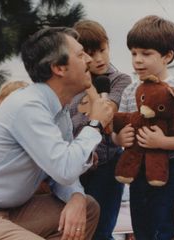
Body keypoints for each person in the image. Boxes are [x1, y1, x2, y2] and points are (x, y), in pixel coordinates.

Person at [0, 27, 114, 240]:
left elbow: (59, 173)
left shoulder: (59, 112)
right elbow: (65, 168)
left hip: (8, 212)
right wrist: (94, 124)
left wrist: (76, 197)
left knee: (87, 207)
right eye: (80, 55)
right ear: (58, 68)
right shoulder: (27, 105)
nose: (89, 61)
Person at [113, 15, 174, 240]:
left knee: (168, 230)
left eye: (146, 53)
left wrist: (162, 142)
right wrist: (120, 138)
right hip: (138, 173)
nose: (137, 60)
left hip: (171, 171)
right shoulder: (130, 91)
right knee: (143, 230)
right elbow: (117, 129)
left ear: (167, 56)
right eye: (133, 53)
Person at [69, 19, 132, 240]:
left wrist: (88, 85)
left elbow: (106, 116)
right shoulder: (70, 87)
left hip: (108, 166)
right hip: (75, 169)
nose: (98, 59)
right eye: (90, 53)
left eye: (103, 50)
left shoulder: (120, 80)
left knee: (100, 231)